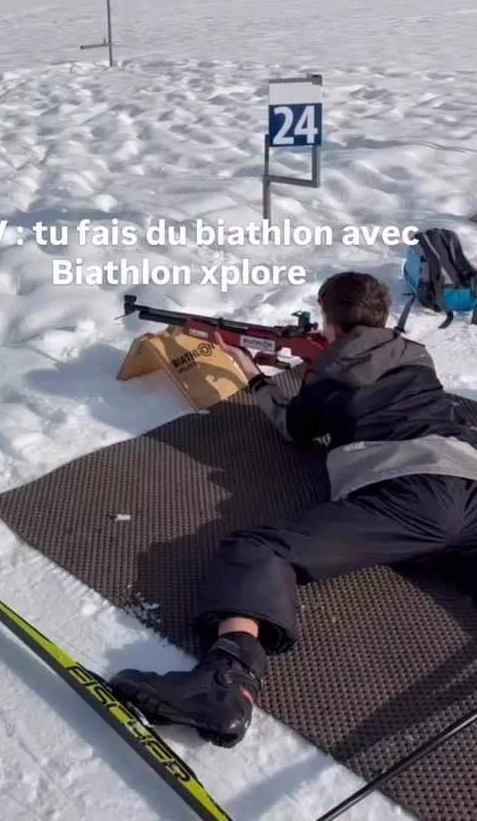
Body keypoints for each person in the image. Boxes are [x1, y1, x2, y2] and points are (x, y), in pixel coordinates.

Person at [110, 271, 477, 747]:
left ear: (330, 324)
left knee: (260, 550)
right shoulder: (417, 356)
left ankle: (224, 683)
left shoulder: (329, 379)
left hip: (409, 495)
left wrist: (255, 376)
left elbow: (293, 429)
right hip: (469, 479)